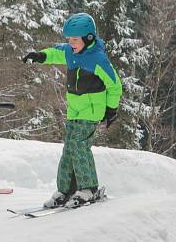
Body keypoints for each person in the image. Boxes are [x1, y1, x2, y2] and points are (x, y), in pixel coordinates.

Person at [21, 13, 122, 208]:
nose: (71, 43)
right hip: (74, 111)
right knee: (68, 150)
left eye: (75, 39)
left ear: (88, 38)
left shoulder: (98, 59)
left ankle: (89, 188)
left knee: (78, 147)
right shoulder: (71, 52)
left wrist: (111, 110)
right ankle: (64, 190)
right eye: (69, 39)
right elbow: (55, 52)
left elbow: (115, 85)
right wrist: (39, 55)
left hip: (92, 111)